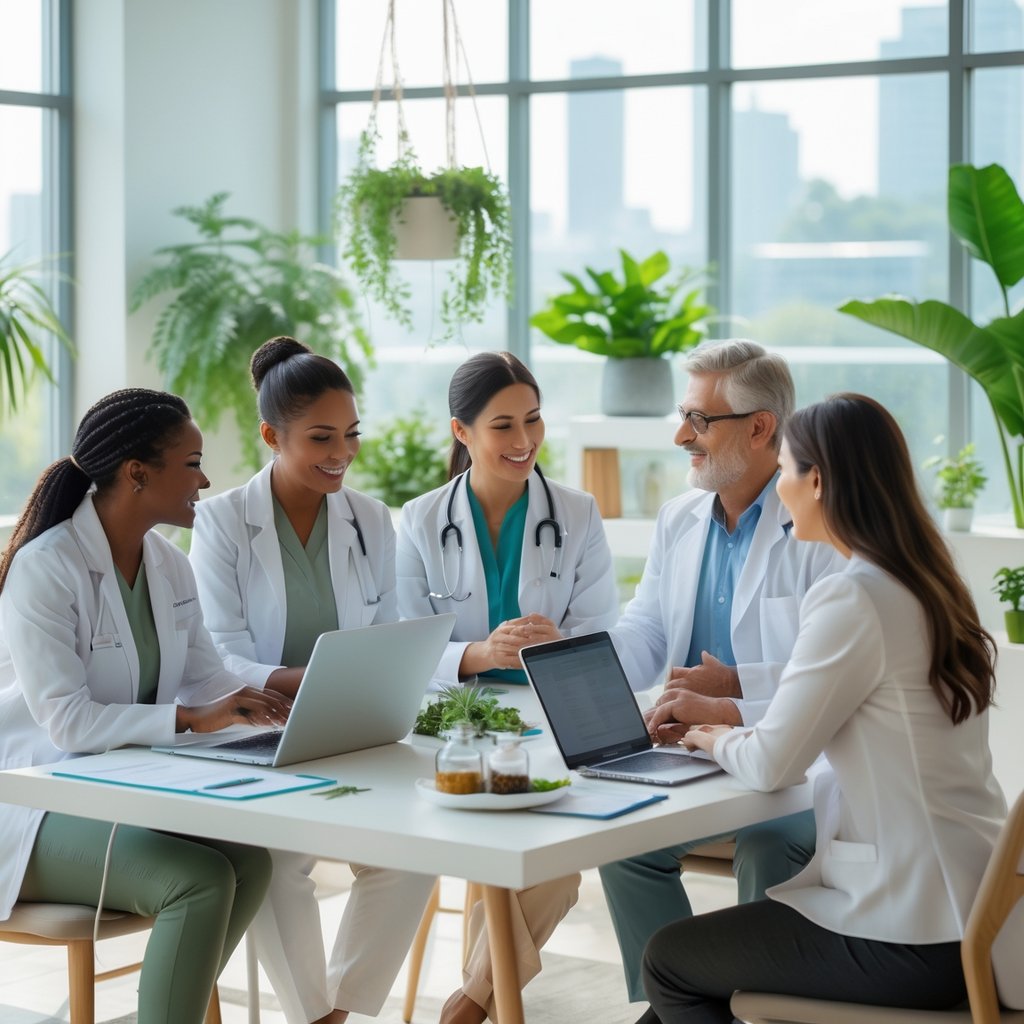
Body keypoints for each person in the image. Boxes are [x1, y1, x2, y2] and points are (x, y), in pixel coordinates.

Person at [640, 392, 1012, 1023]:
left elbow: (771, 765)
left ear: (818, 481)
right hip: (977, 916)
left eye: (785, 471)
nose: (780, 491)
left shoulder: (853, 596)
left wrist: (704, 734)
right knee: (680, 988)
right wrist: (733, 713)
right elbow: (831, 703)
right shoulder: (930, 585)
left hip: (909, 933)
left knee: (668, 961)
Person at [0, 388, 291, 1024]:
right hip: (32, 806)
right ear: (137, 472)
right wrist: (191, 721)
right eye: (192, 462)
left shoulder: (167, 564)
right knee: (198, 879)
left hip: (118, 790)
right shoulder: (45, 569)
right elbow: (68, 722)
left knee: (250, 862)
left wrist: (277, 712)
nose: (206, 479)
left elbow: (208, 679)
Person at [189, 336, 436, 1024]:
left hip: (347, 726)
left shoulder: (368, 520)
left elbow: (387, 629)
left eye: (351, 435)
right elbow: (218, 652)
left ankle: (344, 1009)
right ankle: (315, 1018)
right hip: (255, 731)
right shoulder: (219, 523)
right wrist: (300, 677)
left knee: (412, 852)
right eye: (321, 437)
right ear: (272, 435)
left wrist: (363, 678)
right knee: (273, 860)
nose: (342, 453)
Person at [599, 339, 844, 1003]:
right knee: (620, 841)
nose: (681, 436)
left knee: (771, 840)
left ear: (761, 428)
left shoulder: (820, 522)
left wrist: (733, 688)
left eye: (699, 420)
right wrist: (581, 668)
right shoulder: (681, 516)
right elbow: (646, 631)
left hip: (794, 761)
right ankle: (677, 1007)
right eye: (683, 416)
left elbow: (834, 669)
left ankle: (767, 1006)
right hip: (693, 751)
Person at [397, 350, 619, 1024]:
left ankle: (469, 1000)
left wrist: (562, 650)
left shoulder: (577, 514)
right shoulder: (417, 519)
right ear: (461, 432)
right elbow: (404, 640)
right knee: (503, 844)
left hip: (547, 717)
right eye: (502, 426)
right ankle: (479, 1002)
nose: (523, 442)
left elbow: (602, 629)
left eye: (532, 420)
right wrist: (477, 654)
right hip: (451, 723)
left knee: (554, 861)